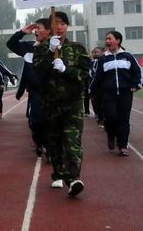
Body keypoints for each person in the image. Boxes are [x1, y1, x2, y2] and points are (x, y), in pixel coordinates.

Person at [33, 11, 90, 196]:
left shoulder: (78, 48)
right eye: (55, 23)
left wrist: (66, 70)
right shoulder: (42, 49)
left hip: (73, 103)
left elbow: (84, 74)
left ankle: (74, 179)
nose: (59, 27)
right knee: (55, 143)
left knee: (72, 141)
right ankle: (58, 173)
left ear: (67, 26)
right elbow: (37, 72)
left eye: (62, 23)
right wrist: (50, 52)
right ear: (50, 27)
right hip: (51, 104)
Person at [90, 31, 142, 157]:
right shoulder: (103, 59)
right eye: (106, 39)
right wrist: (91, 91)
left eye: (110, 39)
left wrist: (136, 85)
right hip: (108, 94)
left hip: (125, 93)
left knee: (124, 119)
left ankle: (123, 145)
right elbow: (97, 77)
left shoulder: (128, 56)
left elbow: (137, 71)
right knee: (111, 117)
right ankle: (111, 134)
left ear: (118, 41)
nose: (107, 41)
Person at [7, 18, 51, 157]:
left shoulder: (55, 47)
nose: (36, 31)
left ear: (48, 31)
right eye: (35, 28)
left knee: (51, 121)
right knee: (35, 122)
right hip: (35, 92)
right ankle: (38, 141)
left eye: (39, 27)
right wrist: (21, 32)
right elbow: (10, 44)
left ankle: (49, 147)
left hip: (52, 92)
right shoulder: (28, 47)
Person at [90, 47, 105, 125]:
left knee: (103, 102)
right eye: (94, 52)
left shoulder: (103, 60)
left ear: (102, 52)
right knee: (96, 102)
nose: (95, 53)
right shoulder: (91, 62)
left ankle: (103, 117)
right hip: (94, 85)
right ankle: (99, 116)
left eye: (97, 52)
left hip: (103, 85)